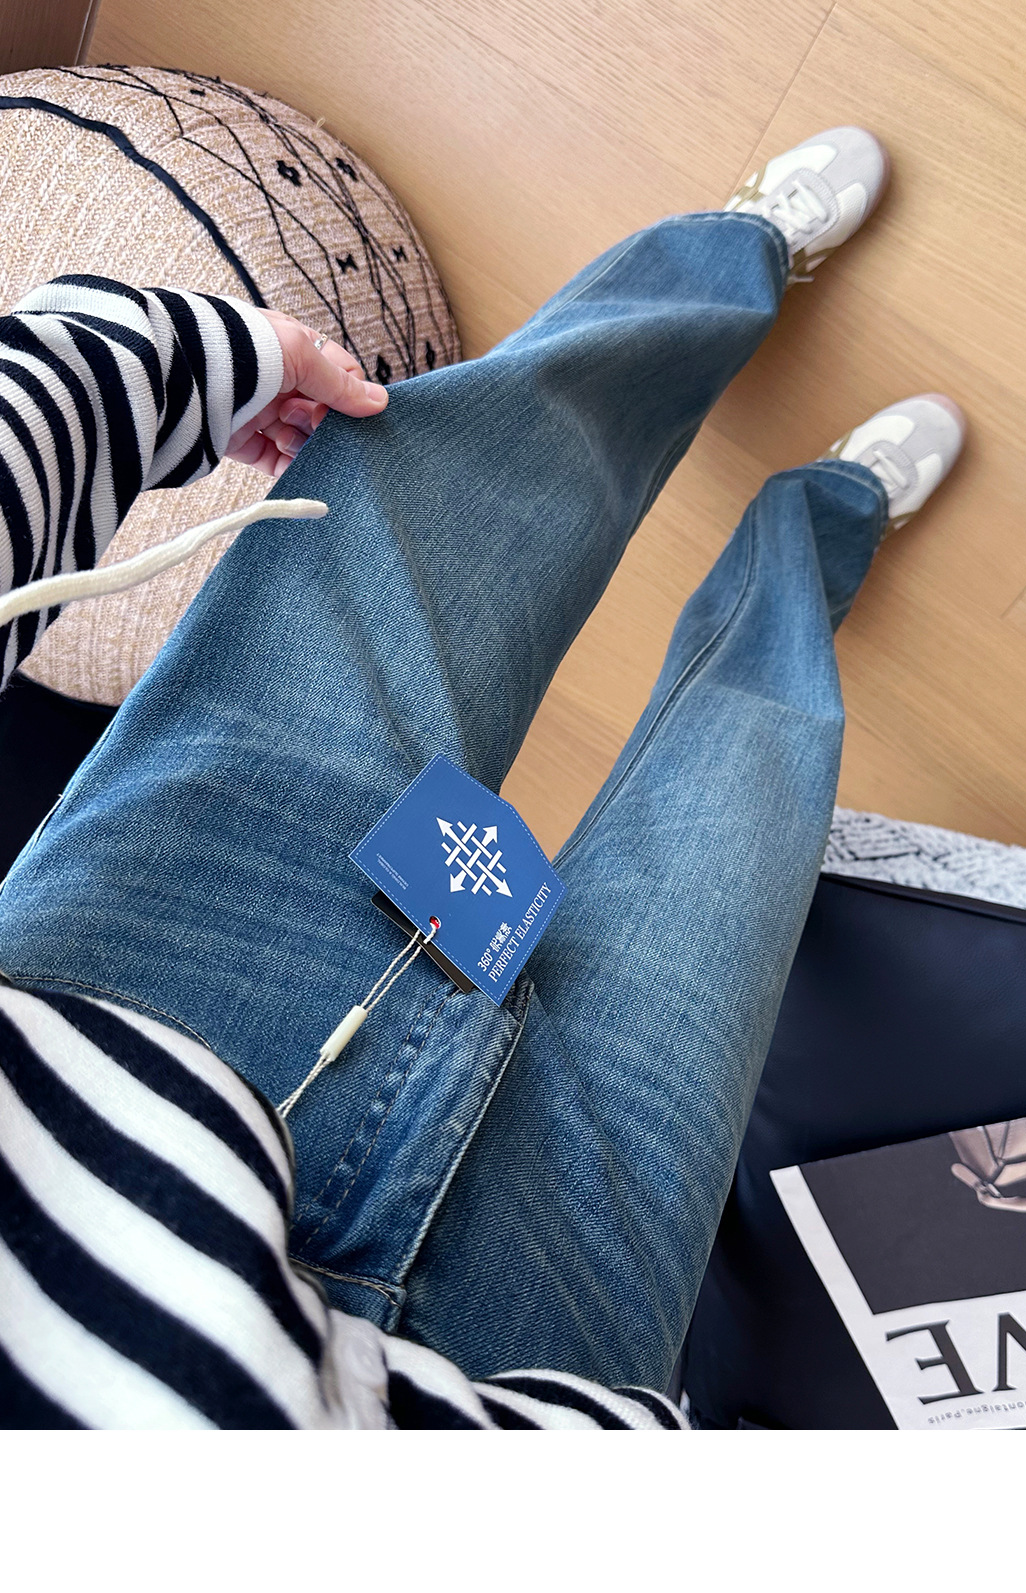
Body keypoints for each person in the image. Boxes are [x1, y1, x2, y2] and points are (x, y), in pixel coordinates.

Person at [0, 126, 963, 1428]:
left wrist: (120, 370)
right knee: (751, 798)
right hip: (520, 1359)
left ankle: (733, 254)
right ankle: (824, 525)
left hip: (133, 983)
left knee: (460, 480)